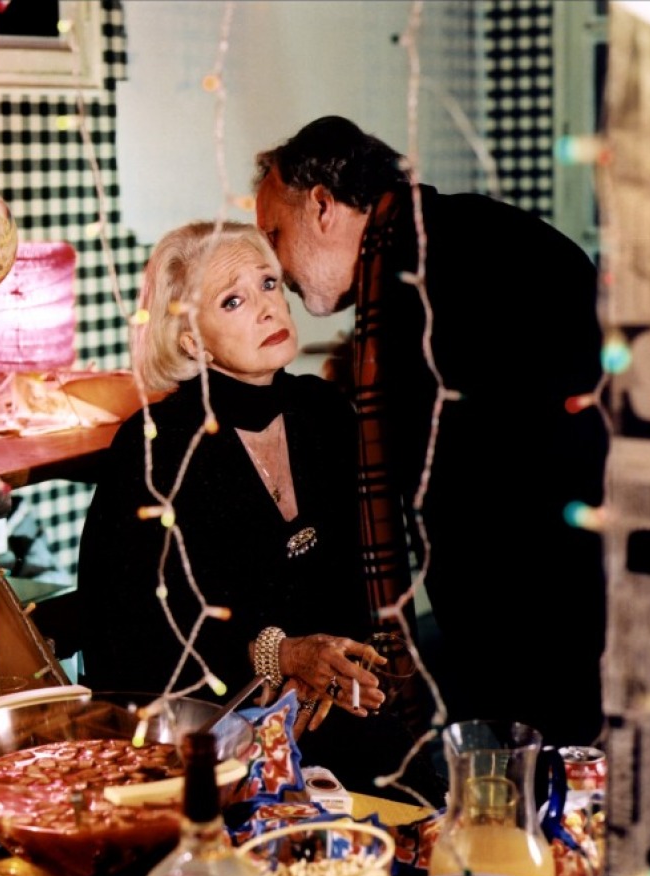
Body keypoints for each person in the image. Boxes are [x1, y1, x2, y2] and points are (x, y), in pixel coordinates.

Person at [253, 116, 609, 748]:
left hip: (545, 611)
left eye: (275, 233)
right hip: (575, 589)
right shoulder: (454, 233)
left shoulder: (424, 278)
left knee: (548, 780)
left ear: (323, 205)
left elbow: (478, 480)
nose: (276, 265)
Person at [76, 220, 430, 797]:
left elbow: (367, 579)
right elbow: (127, 638)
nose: (268, 308)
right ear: (192, 341)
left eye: (269, 283)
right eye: (233, 300)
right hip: (214, 744)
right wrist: (278, 655)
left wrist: (335, 664)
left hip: (341, 717)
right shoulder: (154, 447)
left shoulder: (326, 413)